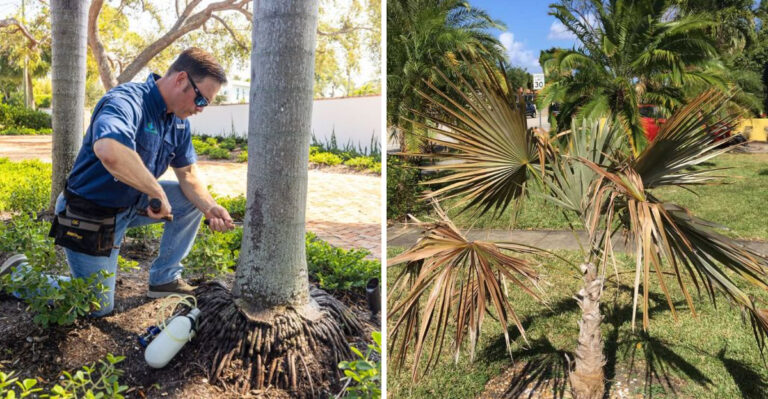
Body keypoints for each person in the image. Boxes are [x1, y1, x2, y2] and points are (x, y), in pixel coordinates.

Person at [1, 47, 235, 317]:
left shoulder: (179, 123)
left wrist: (210, 206)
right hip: (90, 212)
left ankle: (164, 279)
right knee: (95, 305)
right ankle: (18, 277)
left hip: (132, 204)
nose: (200, 109)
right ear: (181, 79)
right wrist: (156, 191)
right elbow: (109, 151)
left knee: (191, 201)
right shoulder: (126, 100)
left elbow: (189, 174)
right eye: (201, 100)